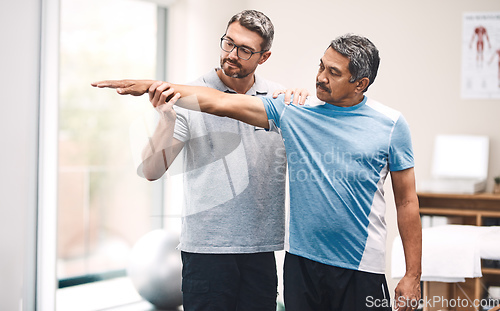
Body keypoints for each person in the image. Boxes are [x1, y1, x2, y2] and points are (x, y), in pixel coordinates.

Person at [93, 33, 422, 311]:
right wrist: (155, 87)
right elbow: (217, 103)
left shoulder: (391, 125)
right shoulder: (294, 111)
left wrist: (411, 275)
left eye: (333, 72)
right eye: (321, 66)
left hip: (360, 268)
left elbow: (406, 203)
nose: (320, 76)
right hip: (302, 266)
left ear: (360, 82)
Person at [97, 10, 307, 311]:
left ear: (264, 57)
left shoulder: (277, 100)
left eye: (245, 50)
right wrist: (167, 119)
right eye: (228, 43)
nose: (232, 55)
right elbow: (152, 170)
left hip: (261, 251)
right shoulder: (187, 97)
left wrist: (301, 99)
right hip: (206, 253)